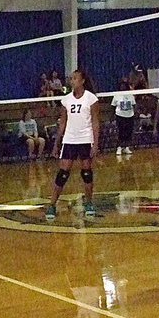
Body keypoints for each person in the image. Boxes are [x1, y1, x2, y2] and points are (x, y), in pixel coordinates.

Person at [45, 69, 100, 220]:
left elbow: (95, 122)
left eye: (75, 78)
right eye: (71, 78)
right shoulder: (66, 100)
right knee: (62, 174)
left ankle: (89, 203)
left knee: (86, 173)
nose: (72, 81)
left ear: (82, 81)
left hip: (85, 139)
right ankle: (52, 205)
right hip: (69, 139)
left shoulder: (91, 98)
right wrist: (57, 143)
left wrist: (95, 144)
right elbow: (62, 123)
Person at [110, 78, 136, 155]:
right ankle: (119, 147)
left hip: (130, 116)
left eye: (124, 86)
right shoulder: (116, 95)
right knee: (121, 132)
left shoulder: (130, 95)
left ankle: (126, 147)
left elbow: (134, 105)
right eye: (121, 86)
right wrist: (111, 116)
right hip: (120, 116)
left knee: (128, 132)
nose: (122, 87)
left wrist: (135, 113)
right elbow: (113, 106)